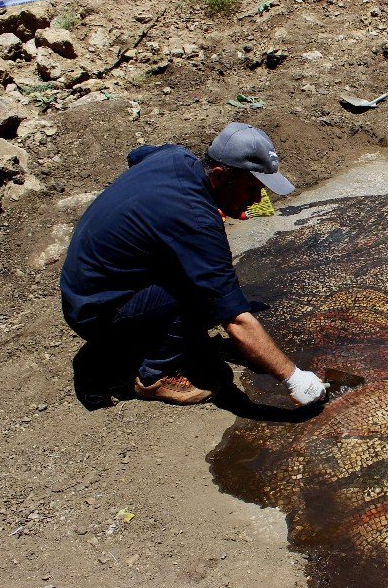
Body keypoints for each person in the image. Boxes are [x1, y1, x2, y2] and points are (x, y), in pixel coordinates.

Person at [60, 123, 328, 406]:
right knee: (204, 291)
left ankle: (155, 334)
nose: (257, 199)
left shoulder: (175, 157)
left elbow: (137, 156)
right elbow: (235, 319)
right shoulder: (196, 220)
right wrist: (294, 378)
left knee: (193, 271)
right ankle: (154, 375)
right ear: (220, 175)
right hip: (96, 312)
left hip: (84, 286)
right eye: (251, 188)